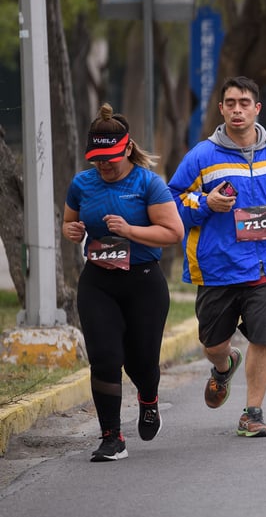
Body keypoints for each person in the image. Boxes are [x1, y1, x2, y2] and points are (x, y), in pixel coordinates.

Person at [168, 76, 266, 438]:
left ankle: (252, 412)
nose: (237, 109)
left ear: (257, 108)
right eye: (230, 103)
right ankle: (224, 364)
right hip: (217, 267)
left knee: (263, 339)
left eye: (244, 103)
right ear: (221, 109)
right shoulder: (202, 156)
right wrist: (204, 202)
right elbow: (171, 202)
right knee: (213, 343)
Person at [62, 104, 184, 462]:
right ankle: (111, 437)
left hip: (144, 282)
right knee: (104, 358)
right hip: (98, 281)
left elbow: (173, 232)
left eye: (111, 157)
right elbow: (70, 224)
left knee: (141, 362)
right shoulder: (82, 183)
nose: (104, 165)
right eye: (98, 158)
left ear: (127, 149)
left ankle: (149, 399)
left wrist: (130, 230)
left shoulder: (148, 183)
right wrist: (72, 231)